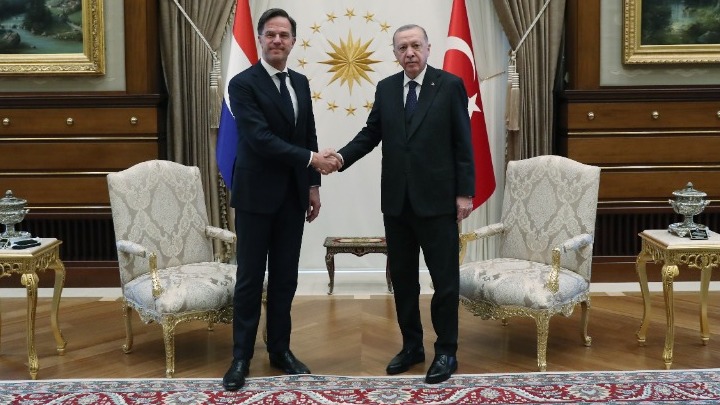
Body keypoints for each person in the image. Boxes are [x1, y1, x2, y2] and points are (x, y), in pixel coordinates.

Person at [332, 24, 475, 384]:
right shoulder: (386, 88)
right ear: (394, 53)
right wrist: (340, 158)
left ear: (428, 48)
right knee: (404, 280)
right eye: (402, 47)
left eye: (415, 45)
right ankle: (412, 346)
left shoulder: (449, 86)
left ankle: (446, 350)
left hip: (438, 202)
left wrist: (465, 193)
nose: (409, 52)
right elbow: (371, 133)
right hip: (397, 203)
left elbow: (463, 142)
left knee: (445, 281)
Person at [222, 8, 341, 391]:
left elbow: (307, 132)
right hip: (255, 197)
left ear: (293, 42)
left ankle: (280, 350)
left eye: (283, 35)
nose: (277, 40)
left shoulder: (300, 83)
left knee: (285, 277)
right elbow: (259, 138)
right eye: (270, 34)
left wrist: (312, 185)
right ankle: (241, 357)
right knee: (249, 278)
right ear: (260, 39)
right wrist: (312, 160)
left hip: (292, 197)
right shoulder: (242, 84)